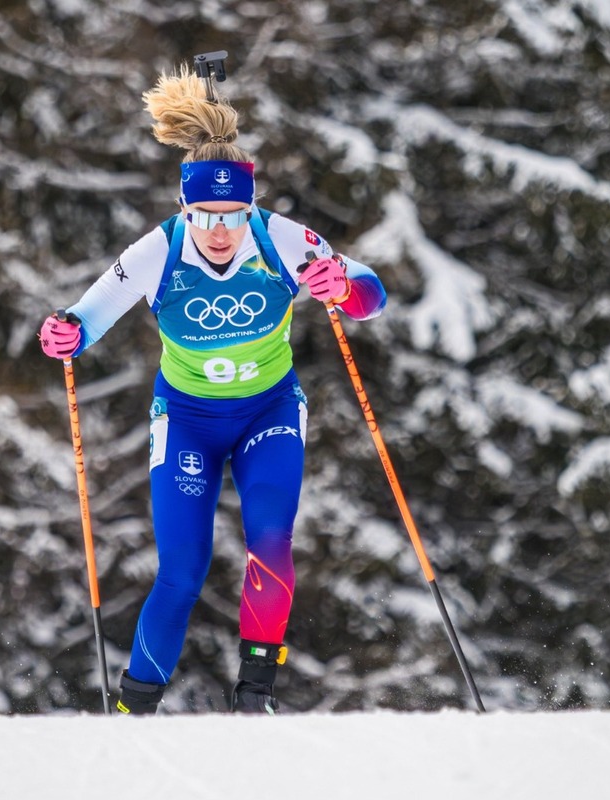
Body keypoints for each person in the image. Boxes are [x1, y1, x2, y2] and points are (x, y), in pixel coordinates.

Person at [38, 64, 386, 715]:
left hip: (269, 412)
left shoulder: (281, 239)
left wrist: (340, 286)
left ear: (251, 208)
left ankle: (255, 696)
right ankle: (134, 707)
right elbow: (83, 320)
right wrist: (65, 336)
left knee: (271, 542)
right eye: (205, 215)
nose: (221, 230)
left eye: (234, 214)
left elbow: (370, 292)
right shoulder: (156, 251)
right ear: (182, 208)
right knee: (181, 568)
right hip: (188, 419)